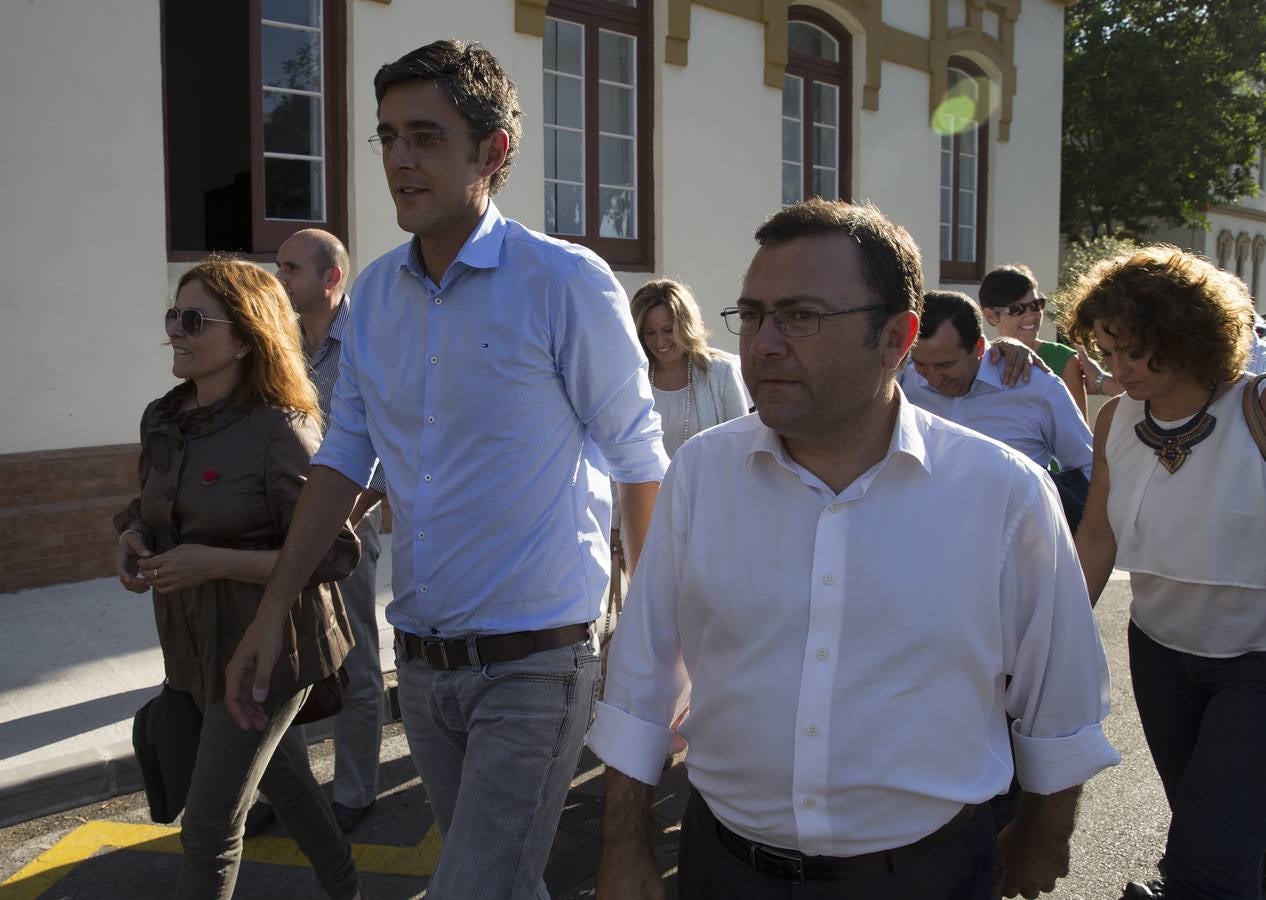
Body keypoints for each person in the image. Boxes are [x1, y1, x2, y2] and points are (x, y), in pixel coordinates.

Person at [224, 40, 667, 900]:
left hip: (536, 661)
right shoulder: (379, 295)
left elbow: (638, 457)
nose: (397, 159)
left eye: (424, 136)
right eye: (386, 136)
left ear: (493, 151)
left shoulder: (564, 282)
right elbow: (345, 456)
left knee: (472, 888)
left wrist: (647, 641)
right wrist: (275, 605)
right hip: (421, 667)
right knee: (504, 884)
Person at [590, 198, 1119, 900]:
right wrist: (623, 848)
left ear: (897, 338)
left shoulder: (1003, 494)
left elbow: (1060, 705)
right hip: (725, 870)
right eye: (751, 315)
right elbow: (643, 675)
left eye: (802, 316)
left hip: (927, 876)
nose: (764, 343)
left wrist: (1039, 842)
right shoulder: (701, 473)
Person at [114, 258, 362, 900]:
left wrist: (215, 561)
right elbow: (150, 507)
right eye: (173, 314)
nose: (175, 330)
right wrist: (133, 536)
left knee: (209, 827)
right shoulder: (163, 418)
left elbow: (332, 552)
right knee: (286, 780)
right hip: (191, 644)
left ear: (247, 335)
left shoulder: (281, 428)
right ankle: (347, 887)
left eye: (194, 319)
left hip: (269, 647)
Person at [1067, 245, 1266, 900]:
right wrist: (1050, 635)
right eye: (1105, 351)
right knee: (1216, 828)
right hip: (1159, 656)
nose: (1116, 370)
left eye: (1132, 352)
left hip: (1256, 660)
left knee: (1207, 857)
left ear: (1184, 335)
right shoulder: (1114, 421)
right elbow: (1097, 536)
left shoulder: (1256, 408)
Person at [242, 229, 388, 838]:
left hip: (350, 526)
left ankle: (355, 789)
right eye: (277, 266)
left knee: (353, 662)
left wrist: (344, 521)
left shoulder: (371, 340)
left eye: (291, 268)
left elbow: (386, 440)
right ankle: (293, 790)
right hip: (282, 526)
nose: (279, 279)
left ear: (331, 278)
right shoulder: (277, 343)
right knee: (285, 663)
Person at [902, 290, 1093, 528]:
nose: (933, 378)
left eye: (945, 365)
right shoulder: (902, 384)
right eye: (922, 365)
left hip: (1015, 547)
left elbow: (1087, 468)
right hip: (926, 537)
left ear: (980, 347)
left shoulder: (1036, 387)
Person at [612, 279, 749, 564]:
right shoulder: (630, 379)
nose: (660, 342)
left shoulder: (720, 373)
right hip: (645, 522)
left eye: (667, 330)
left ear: (686, 325)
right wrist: (615, 524)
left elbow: (742, 453)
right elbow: (618, 462)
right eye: (649, 333)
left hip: (709, 519)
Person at [980, 264, 1088, 419]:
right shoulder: (982, 359)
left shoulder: (1064, 360)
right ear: (991, 316)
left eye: (1036, 305)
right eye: (1017, 309)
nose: (1031, 316)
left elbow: (1079, 431)